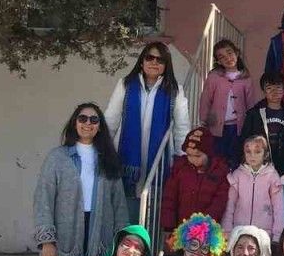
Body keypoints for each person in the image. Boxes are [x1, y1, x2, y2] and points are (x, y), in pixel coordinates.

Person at [34, 103, 129, 256]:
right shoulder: (57, 158)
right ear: (74, 122)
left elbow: (118, 204)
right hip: (65, 234)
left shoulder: (108, 160)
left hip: (99, 234)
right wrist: (47, 241)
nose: (88, 123)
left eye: (94, 120)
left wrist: (122, 243)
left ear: (100, 126)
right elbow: (43, 199)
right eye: (82, 118)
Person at [105, 42, 192, 211]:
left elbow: (181, 128)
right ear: (142, 61)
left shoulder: (175, 90)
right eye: (150, 57)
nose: (154, 62)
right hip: (127, 159)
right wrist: (103, 149)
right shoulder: (125, 85)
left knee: (153, 209)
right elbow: (111, 119)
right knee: (126, 208)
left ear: (166, 65)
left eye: (160, 60)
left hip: (159, 160)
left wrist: (181, 158)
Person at [160, 127, 229, 242]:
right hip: (180, 230)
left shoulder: (220, 171)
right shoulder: (180, 168)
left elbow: (219, 203)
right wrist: (168, 226)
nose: (192, 159)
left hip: (206, 232)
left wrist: (202, 226)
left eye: (197, 156)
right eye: (189, 155)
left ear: (208, 154)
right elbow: (170, 198)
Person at [199, 39, 256, 167]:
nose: (228, 58)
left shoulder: (245, 78)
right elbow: (206, 99)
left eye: (230, 53)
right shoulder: (214, 77)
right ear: (218, 61)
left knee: (235, 158)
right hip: (217, 127)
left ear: (237, 53)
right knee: (217, 158)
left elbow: (250, 103)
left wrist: (251, 125)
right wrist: (204, 121)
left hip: (238, 128)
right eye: (222, 57)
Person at [223, 134, 284, 239]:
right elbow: (230, 205)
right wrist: (227, 231)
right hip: (239, 231)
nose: (252, 155)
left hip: (263, 234)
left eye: (257, 152)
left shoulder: (272, 176)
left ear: (265, 154)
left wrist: (278, 236)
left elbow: (279, 208)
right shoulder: (237, 175)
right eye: (248, 152)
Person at [241, 72, 284, 176]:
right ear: (264, 92)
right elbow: (245, 139)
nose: (274, 92)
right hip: (259, 165)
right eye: (269, 88)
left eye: (278, 88)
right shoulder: (254, 114)